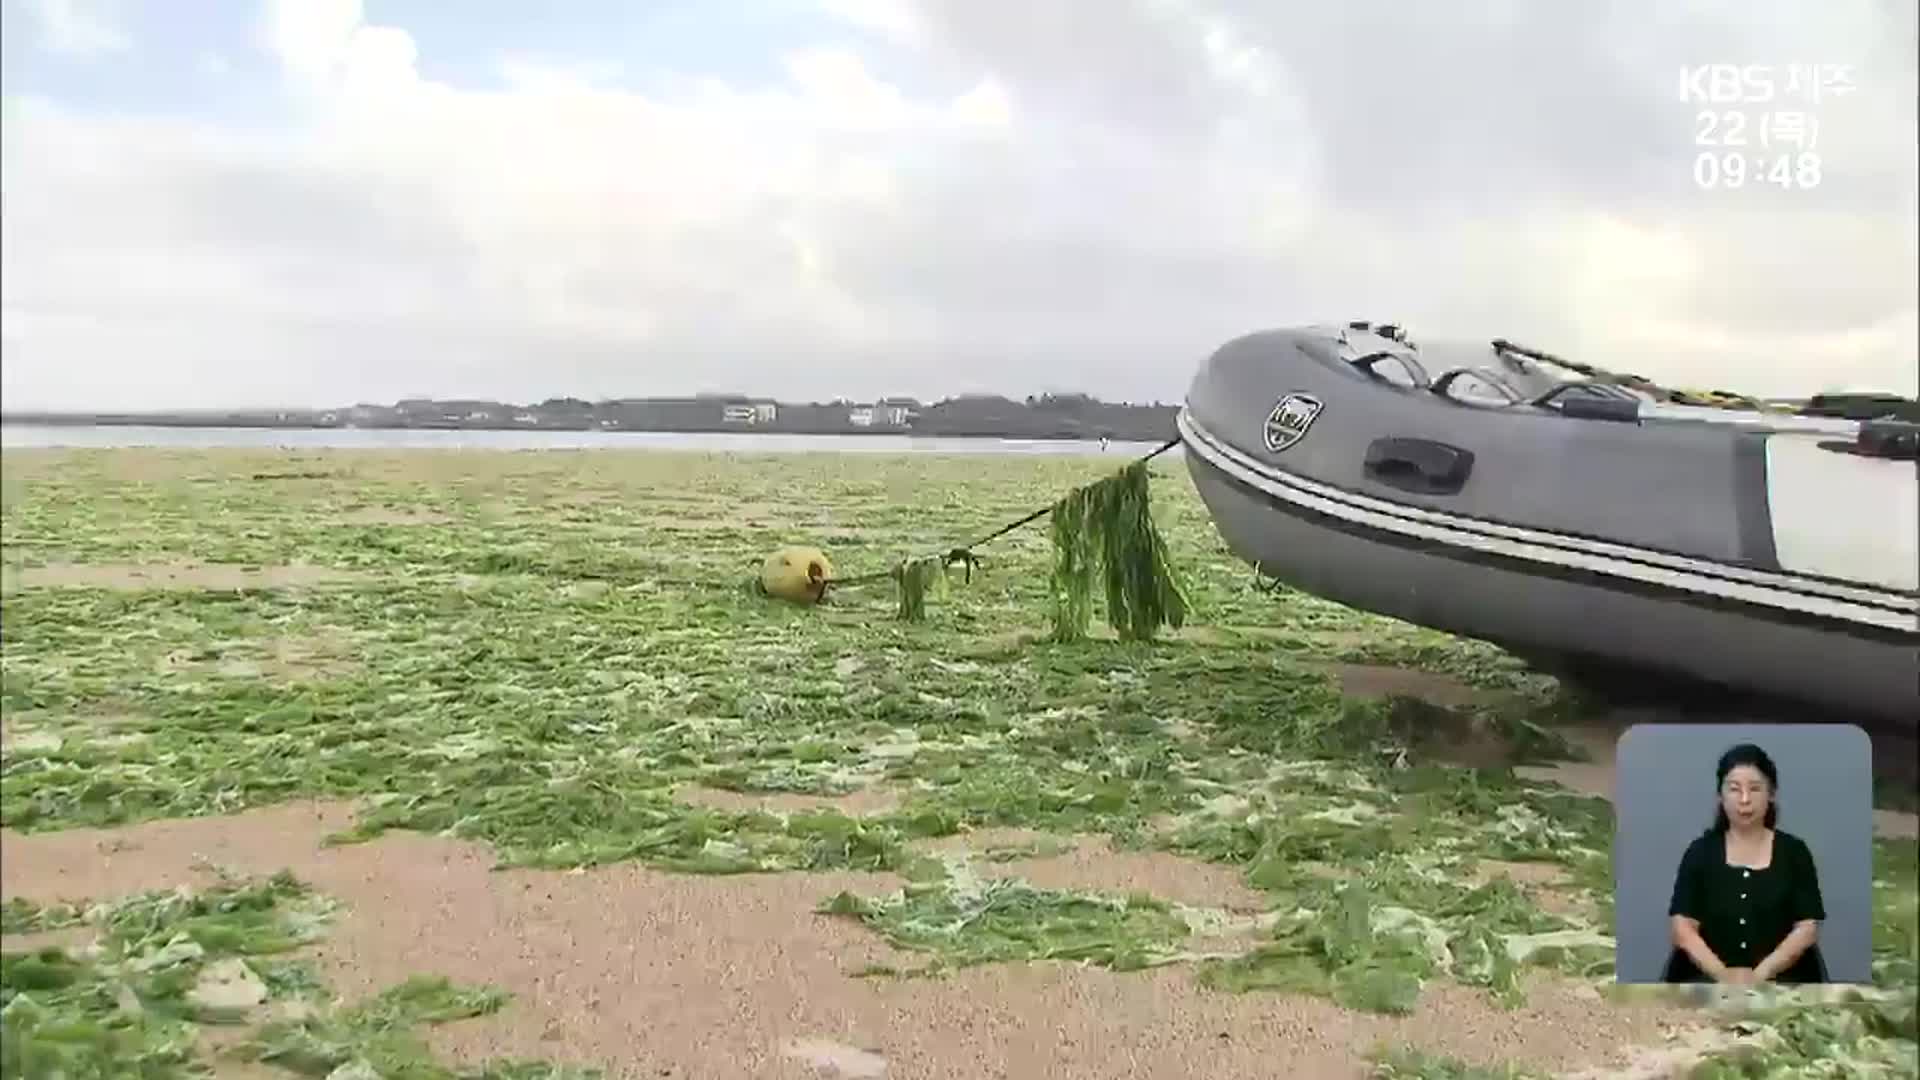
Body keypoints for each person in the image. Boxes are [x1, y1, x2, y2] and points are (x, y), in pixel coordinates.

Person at [1662, 743, 1829, 984]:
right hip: (1707, 977)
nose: (1744, 800)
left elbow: (1807, 928)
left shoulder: (1795, 852)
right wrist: (1724, 976)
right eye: (1734, 789)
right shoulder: (1700, 852)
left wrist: (1760, 975)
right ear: (1720, 796)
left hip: (1782, 979)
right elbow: (1682, 928)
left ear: (1771, 794)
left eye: (1755, 789)